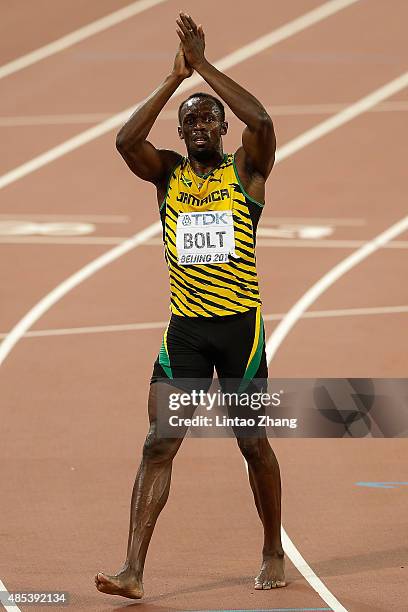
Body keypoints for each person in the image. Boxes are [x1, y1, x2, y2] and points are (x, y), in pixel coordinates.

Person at [95, 12, 285, 599]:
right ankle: (132, 569)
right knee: (159, 441)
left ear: (223, 130)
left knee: (252, 443)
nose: (200, 125)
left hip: (239, 332)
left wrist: (203, 67)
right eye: (191, 121)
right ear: (181, 135)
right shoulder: (169, 177)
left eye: (209, 118)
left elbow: (262, 118)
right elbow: (126, 141)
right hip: (186, 333)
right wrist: (173, 81)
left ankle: (273, 547)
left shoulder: (247, 171)